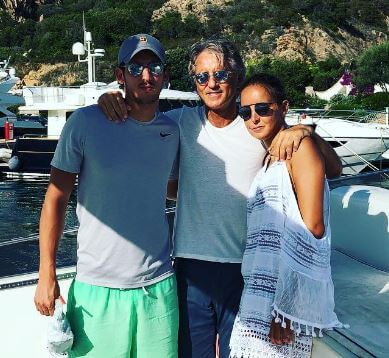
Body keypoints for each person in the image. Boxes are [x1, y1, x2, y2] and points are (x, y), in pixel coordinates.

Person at [98, 38, 342, 358]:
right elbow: (136, 123)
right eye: (202, 77)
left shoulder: (258, 125)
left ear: (237, 77)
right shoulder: (179, 123)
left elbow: (333, 169)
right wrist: (109, 100)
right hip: (190, 270)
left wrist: (306, 131)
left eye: (221, 75)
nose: (211, 84)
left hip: (246, 272)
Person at [34, 34, 180, 358]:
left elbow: (173, 189)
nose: (146, 75)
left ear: (166, 74)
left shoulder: (174, 130)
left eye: (154, 66)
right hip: (96, 291)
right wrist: (47, 272)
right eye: (135, 67)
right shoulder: (84, 124)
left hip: (158, 289)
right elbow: (55, 199)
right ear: (120, 75)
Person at [229, 73, 344, 358]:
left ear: (284, 107)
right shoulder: (270, 154)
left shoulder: (298, 148)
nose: (253, 117)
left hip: (281, 307)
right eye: (245, 112)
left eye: (263, 108)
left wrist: (288, 310)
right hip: (259, 296)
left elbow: (313, 231)